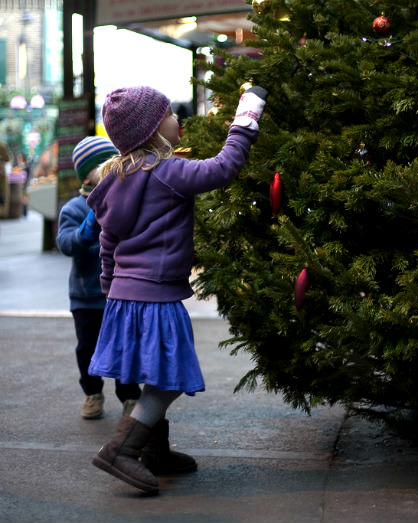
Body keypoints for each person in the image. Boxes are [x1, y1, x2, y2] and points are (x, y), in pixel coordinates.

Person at [86, 84, 267, 493]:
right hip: (155, 296)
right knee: (166, 380)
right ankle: (120, 450)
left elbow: (107, 240)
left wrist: (108, 285)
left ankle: (156, 452)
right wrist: (246, 120)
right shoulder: (167, 173)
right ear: (152, 130)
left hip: (124, 296)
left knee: (154, 371)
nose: (177, 118)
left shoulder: (116, 178)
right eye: (169, 113)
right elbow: (223, 168)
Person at [56, 136, 142, 420]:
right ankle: (92, 392)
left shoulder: (123, 200)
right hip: (86, 296)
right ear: (89, 178)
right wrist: (89, 225)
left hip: (119, 292)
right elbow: (67, 243)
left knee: (125, 347)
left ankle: (129, 396)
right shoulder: (74, 209)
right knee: (87, 348)